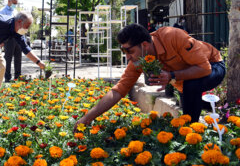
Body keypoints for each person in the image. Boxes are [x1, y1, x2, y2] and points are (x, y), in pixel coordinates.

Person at [74, 23, 225, 129]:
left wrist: (171, 75)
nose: (127, 57)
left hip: (213, 65)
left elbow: (204, 69)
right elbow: (118, 91)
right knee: (188, 110)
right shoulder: (138, 60)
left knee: (191, 91)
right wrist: (87, 117)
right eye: (123, 52)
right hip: (185, 81)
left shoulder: (172, 36)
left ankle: (195, 136)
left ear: (145, 45)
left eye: (129, 51)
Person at [0, 0, 22, 82]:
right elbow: (0, 26)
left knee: (18, 57)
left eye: (16, 3)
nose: (15, 5)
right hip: (8, 38)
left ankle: (18, 77)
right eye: (14, 3)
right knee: (8, 58)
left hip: (17, 37)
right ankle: (7, 77)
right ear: (9, 1)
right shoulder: (2, 11)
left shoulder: (15, 11)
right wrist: (1, 40)